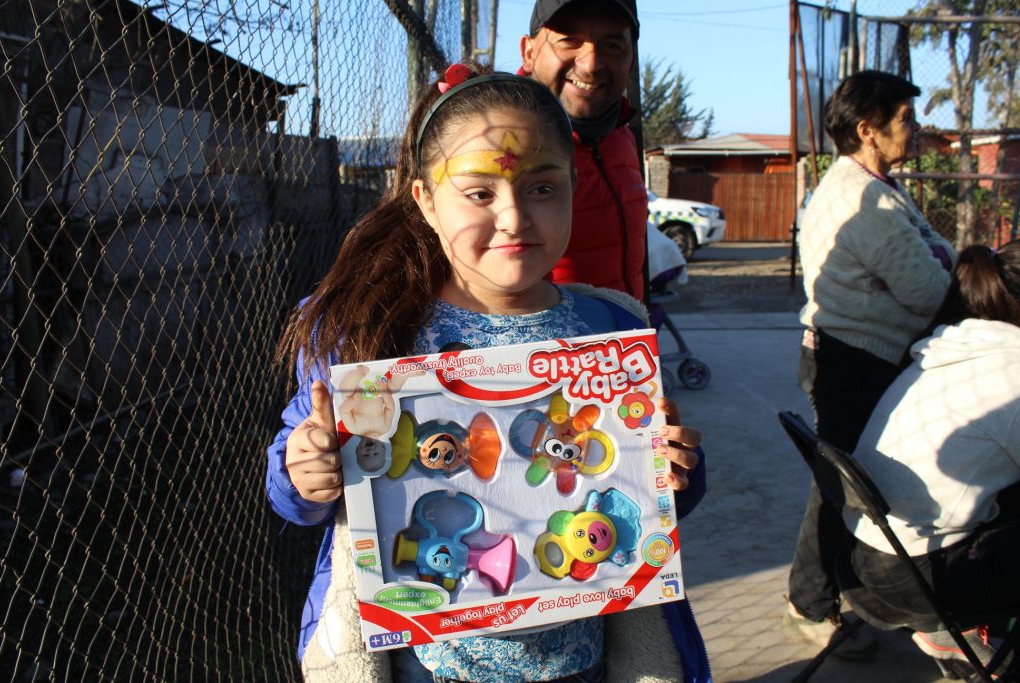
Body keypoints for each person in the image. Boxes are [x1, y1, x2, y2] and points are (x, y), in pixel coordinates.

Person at [265, 64, 711, 682]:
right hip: (425, 668)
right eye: (479, 194)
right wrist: (305, 470)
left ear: (574, 187)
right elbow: (295, 490)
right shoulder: (371, 330)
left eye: (543, 188)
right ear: (425, 201)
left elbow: (648, 500)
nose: (515, 217)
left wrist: (677, 470)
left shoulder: (608, 327)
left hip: (583, 663)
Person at [784, 70, 957, 656]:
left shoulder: (875, 186)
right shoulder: (863, 198)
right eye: (905, 119)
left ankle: (839, 596)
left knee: (850, 485)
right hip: (854, 362)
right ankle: (809, 605)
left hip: (859, 357)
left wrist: (940, 258)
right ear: (868, 130)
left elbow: (936, 256)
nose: (915, 129)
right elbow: (928, 288)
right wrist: (941, 262)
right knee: (843, 488)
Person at [845, 241, 1020, 676]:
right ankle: (953, 629)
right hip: (922, 576)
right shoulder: (1012, 371)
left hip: (867, 552)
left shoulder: (957, 342)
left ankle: (954, 631)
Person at [520, 0, 648, 301]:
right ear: (529, 52)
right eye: (569, 41)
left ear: (631, 60)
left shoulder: (622, 134)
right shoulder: (502, 145)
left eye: (612, 45)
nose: (591, 64)